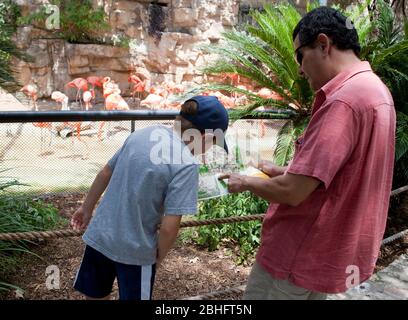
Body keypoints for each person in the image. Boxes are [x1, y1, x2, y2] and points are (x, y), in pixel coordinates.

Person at [219, 7, 396, 300]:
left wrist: (245, 182)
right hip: (326, 257)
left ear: (323, 45)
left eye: (300, 55)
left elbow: (293, 193)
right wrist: (283, 172)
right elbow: (339, 178)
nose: (300, 69)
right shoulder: (377, 92)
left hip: (295, 256)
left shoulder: (344, 101)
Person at [71, 95, 229, 300]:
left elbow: (105, 173)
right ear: (205, 137)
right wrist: (157, 259)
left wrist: (86, 208)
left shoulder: (144, 133)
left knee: (95, 295)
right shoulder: (186, 164)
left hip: (100, 235)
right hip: (136, 251)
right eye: (213, 143)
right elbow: (169, 228)